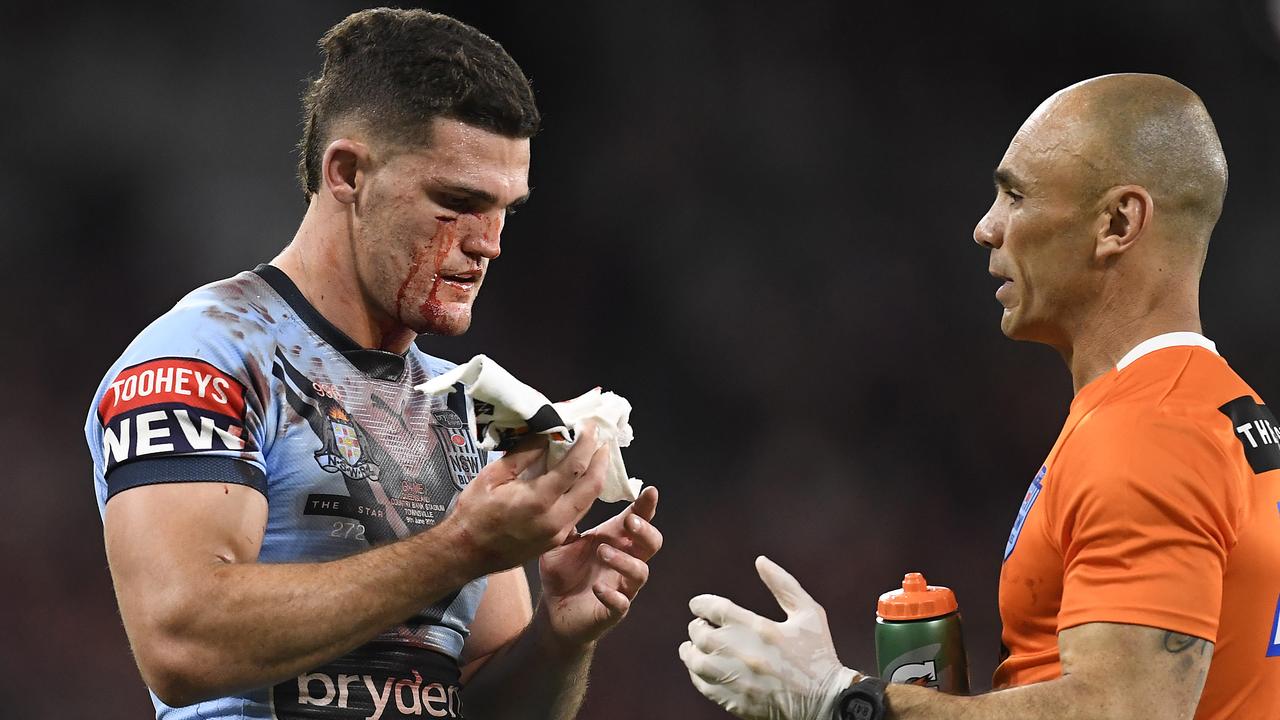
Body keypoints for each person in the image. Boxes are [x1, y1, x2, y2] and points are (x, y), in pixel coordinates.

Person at [86, 9, 662, 720]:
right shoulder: (204, 357)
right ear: (348, 173)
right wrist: (459, 549)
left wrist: (557, 636)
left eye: (506, 210)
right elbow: (181, 644)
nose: (490, 245)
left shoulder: (464, 405)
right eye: (458, 201)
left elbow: (479, 705)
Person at [679, 73, 1280, 720]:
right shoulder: (1227, 412)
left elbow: (1121, 709)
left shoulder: (1144, 437)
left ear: (1117, 221)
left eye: (1015, 197)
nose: (985, 228)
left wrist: (834, 696)